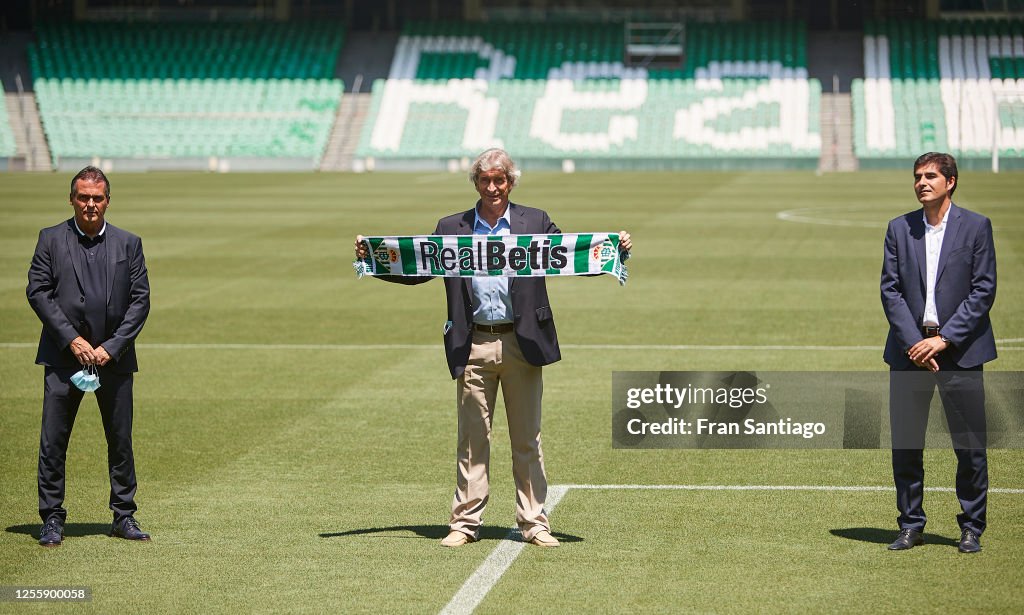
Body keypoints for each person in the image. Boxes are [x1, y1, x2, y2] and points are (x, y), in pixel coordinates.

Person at [355, 148, 631, 547]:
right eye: (484, 179)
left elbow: (569, 255)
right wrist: (375, 259)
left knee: (527, 439)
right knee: (472, 438)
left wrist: (612, 250)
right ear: (476, 183)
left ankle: (534, 522)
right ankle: (464, 523)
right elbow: (419, 267)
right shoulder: (452, 227)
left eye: (499, 179)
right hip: (473, 343)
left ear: (511, 182)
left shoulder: (533, 221)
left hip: (522, 343)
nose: (492, 187)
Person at [27, 166, 152, 547]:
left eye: (97, 198)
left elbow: (140, 300)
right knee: (53, 441)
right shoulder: (50, 239)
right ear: (72, 199)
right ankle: (51, 517)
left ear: (108, 201)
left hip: (113, 359)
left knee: (119, 439)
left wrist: (110, 347)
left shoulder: (128, 243)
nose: (90, 205)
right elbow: (38, 291)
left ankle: (124, 515)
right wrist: (72, 341)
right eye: (83, 197)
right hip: (65, 358)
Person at [880, 152, 996, 553]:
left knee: (969, 446)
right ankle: (911, 524)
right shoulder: (898, 228)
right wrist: (916, 343)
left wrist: (943, 339)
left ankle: (971, 527)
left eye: (931, 176)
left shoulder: (977, 227)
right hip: (910, 352)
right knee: (907, 445)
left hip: (960, 352)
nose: (922, 182)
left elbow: (984, 290)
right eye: (917, 176)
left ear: (951, 181)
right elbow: (890, 290)